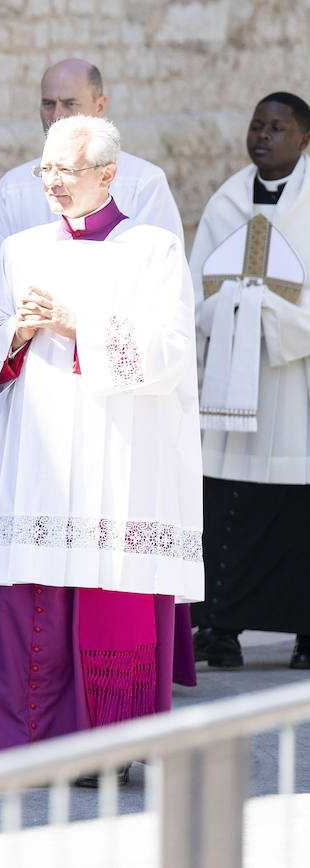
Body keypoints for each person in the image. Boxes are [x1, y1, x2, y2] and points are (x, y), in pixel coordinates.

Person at [0, 115, 203, 784]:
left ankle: (111, 744)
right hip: (34, 457)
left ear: (108, 174)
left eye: (65, 171)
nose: (53, 183)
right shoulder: (21, 249)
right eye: (45, 171)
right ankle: (24, 742)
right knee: (27, 596)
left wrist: (78, 325)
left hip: (115, 460)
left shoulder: (152, 250)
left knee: (106, 596)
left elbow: (171, 351)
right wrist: (16, 329)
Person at [189, 92, 310, 670]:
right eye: (257, 126)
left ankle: (306, 631)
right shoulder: (227, 201)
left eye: (277, 128)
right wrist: (239, 303)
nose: (263, 136)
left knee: (296, 511)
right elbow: (198, 290)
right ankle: (220, 627)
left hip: (296, 386)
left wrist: (272, 314)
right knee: (227, 504)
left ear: (304, 138)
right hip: (232, 388)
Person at [0, 58, 184, 284]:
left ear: (99, 106)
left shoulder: (144, 182)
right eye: (49, 104)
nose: (57, 116)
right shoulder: (12, 187)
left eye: (70, 104)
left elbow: (163, 266)